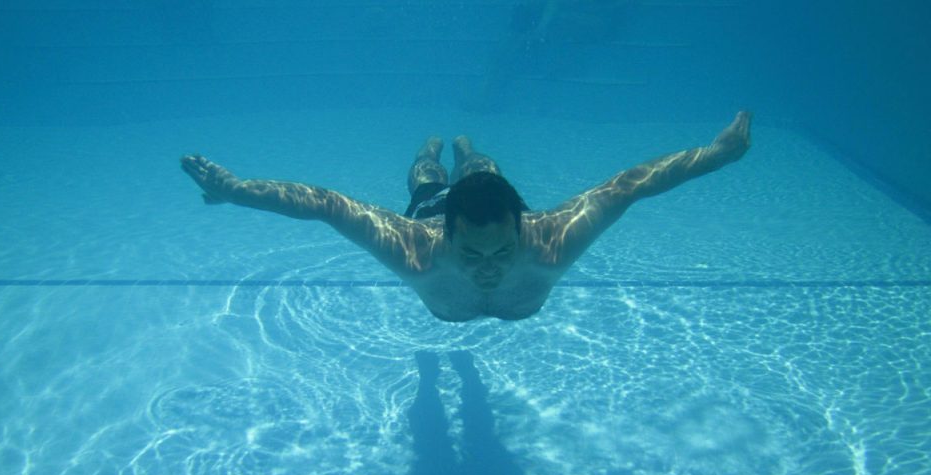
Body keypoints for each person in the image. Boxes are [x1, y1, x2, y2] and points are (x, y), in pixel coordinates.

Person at [180, 111, 751, 322]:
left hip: (491, 200)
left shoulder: (550, 241)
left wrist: (717, 155)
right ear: (445, 239)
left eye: (503, 252)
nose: (487, 268)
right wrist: (237, 191)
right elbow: (328, 205)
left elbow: (627, 188)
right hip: (435, 207)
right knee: (425, 178)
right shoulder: (416, 245)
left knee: (480, 163)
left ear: (523, 230)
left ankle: (464, 145)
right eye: (471, 254)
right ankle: (432, 154)